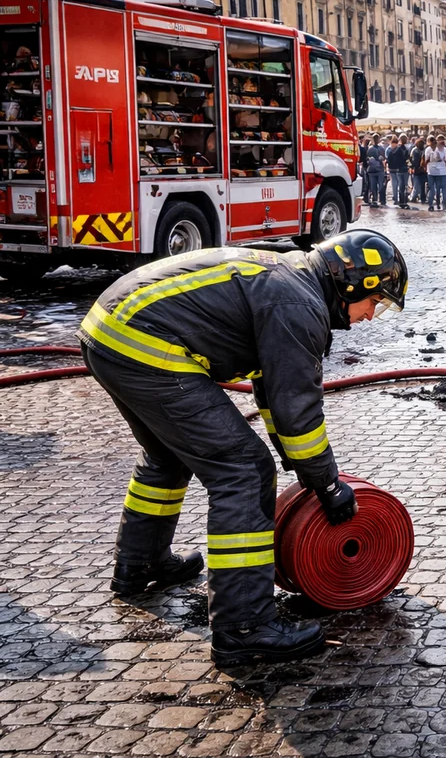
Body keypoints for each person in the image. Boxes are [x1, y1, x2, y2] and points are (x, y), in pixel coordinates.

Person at [81, 231, 409, 666]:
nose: (370, 316)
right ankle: (245, 627)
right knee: (245, 472)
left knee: (167, 455)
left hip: (110, 332)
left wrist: (303, 468)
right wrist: (328, 486)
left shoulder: (290, 281)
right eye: (375, 302)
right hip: (147, 344)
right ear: (353, 283)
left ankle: (140, 567)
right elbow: (298, 410)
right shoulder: (300, 306)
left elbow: (273, 395)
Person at [426, 136, 446, 211]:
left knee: (432, 189)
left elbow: (425, 160)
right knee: (443, 189)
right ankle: (444, 205)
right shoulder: (444, 149)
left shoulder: (428, 149)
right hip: (442, 172)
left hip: (431, 171)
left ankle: (431, 205)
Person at [386, 135, 410, 210]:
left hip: (398, 169)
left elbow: (390, 157)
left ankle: (401, 201)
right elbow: (408, 159)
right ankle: (404, 200)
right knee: (405, 185)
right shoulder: (407, 149)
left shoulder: (397, 149)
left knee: (400, 186)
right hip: (405, 169)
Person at [364, 134, 387, 209]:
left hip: (372, 170)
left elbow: (367, 159)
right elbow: (384, 159)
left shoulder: (370, 149)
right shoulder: (381, 148)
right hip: (379, 169)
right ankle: (382, 200)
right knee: (381, 185)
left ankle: (374, 199)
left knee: (373, 186)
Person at [410, 137, 428, 205]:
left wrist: (411, 167)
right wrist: (411, 167)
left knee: (418, 185)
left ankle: (417, 198)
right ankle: (418, 198)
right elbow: (410, 159)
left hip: (419, 170)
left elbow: (410, 160)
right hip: (419, 170)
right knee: (419, 185)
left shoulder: (417, 150)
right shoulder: (416, 151)